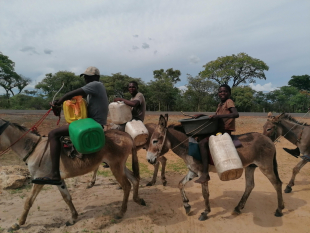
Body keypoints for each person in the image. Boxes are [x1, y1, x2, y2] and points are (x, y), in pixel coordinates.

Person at [32, 66, 109, 185]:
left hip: (93, 123)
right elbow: (75, 99)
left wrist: (59, 101)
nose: (86, 79)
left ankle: (55, 174)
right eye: (85, 77)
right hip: (90, 121)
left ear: (96, 77)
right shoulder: (92, 91)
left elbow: (72, 93)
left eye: (89, 77)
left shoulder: (96, 85)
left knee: (53, 134)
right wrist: (58, 106)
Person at [194, 84, 239, 184]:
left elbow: (236, 114)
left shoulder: (229, 102)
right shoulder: (220, 104)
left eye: (225, 91)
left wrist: (218, 117)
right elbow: (215, 116)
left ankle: (205, 174)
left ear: (229, 93)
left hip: (225, 130)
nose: (222, 93)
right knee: (199, 136)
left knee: (202, 143)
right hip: (218, 129)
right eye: (220, 92)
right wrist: (202, 115)